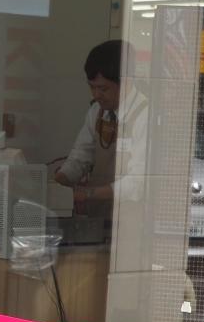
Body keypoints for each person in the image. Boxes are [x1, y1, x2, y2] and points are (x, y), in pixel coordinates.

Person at [52, 39, 148, 215]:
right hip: (98, 215)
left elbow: (137, 182)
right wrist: (57, 182)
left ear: (126, 82)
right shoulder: (97, 111)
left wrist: (88, 194)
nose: (96, 95)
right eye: (92, 87)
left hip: (129, 219)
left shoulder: (145, 116)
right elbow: (81, 156)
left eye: (103, 89)